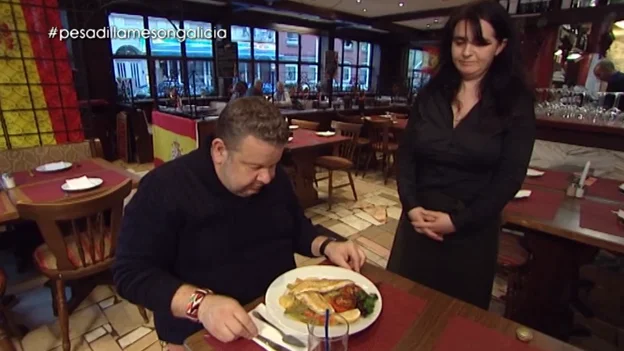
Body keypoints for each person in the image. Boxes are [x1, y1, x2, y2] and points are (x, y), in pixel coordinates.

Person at [113, 97, 367, 351]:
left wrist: (326, 245)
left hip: (277, 316)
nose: (267, 177)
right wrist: (201, 305)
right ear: (219, 150)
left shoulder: (273, 178)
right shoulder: (165, 188)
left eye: (273, 164)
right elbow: (130, 273)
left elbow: (295, 226)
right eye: (255, 166)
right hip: (199, 330)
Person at [387, 0, 536, 310]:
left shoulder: (515, 103)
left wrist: (458, 222)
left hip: (471, 231)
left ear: (500, 46)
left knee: (455, 320)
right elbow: (407, 157)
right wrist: (411, 206)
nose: (467, 52)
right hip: (418, 224)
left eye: (480, 42)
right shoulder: (430, 93)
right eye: (459, 41)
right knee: (403, 307)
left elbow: (509, 178)